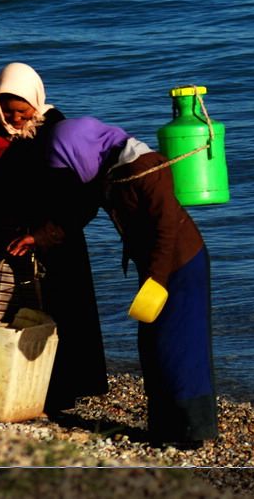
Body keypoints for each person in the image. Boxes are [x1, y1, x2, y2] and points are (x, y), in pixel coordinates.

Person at [0, 62, 108, 414]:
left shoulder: (55, 126)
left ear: (35, 103)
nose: (14, 119)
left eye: (21, 112)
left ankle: (50, 393)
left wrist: (41, 234)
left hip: (45, 236)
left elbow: (74, 188)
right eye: (7, 111)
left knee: (45, 315)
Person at [43, 116, 218, 448]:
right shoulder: (106, 171)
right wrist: (37, 238)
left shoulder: (147, 167)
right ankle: (164, 428)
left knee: (180, 346)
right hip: (156, 268)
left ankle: (193, 432)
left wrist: (157, 281)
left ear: (79, 150)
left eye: (67, 163)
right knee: (153, 347)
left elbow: (167, 228)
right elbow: (77, 215)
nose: (69, 172)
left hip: (181, 264)